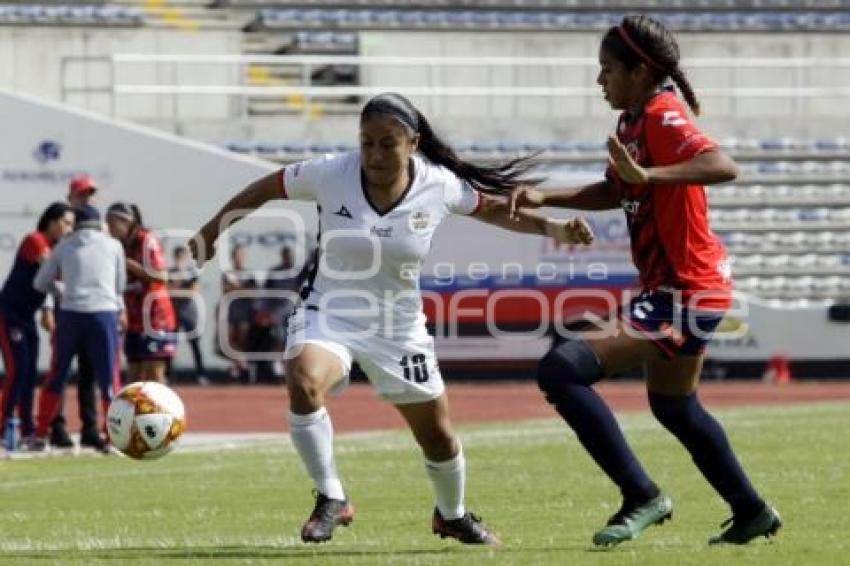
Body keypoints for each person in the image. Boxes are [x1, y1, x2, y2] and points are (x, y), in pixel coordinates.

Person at [191, 92, 593, 545]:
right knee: (303, 379)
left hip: (398, 327)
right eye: (367, 143)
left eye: (388, 144)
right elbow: (263, 189)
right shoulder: (329, 173)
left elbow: (499, 211)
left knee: (438, 437)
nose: (375, 155)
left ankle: (452, 515)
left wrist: (555, 227)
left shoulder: (438, 185)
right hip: (330, 312)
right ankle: (332, 497)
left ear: (413, 144)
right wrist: (209, 236)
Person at [509, 14, 781, 547]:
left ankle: (643, 496)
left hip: (685, 291)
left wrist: (650, 176)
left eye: (607, 69)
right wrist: (547, 196)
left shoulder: (662, 113)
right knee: (674, 405)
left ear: (638, 71)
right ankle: (751, 511)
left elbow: (723, 165)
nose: (600, 80)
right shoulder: (631, 122)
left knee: (562, 370)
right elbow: (617, 189)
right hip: (683, 288)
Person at [32, 205, 125, 451]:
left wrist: (63, 291)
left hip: (71, 314)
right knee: (108, 378)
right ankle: (112, 437)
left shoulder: (64, 246)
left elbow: (40, 282)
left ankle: (41, 433)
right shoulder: (113, 246)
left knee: (56, 375)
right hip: (103, 313)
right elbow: (120, 285)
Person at [0, 202, 74, 450]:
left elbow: (47, 284)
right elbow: (51, 270)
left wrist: (46, 309)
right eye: (66, 223)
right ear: (51, 222)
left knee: (29, 375)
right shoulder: (35, 240)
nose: (69, 228)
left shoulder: (57, 248)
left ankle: (27, 432)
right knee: (17, 371)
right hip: (8, 314)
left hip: (26, 317)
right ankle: (2, 428)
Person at [43, 175, 103, 449]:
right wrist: (48, 307)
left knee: (89, 373)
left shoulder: (97, 229)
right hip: (65, 309)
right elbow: (47, 273)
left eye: (89, 194)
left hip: (92, 308)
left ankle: (90, 428)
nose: (86, 199)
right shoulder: (62, 233)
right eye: (82, 194)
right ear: (71, 197)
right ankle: (57, 427)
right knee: (61, 371)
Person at [106, 202, 177, 383]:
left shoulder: (147, 241)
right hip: (133, 318)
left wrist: (130, 264)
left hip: (155, 317)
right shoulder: (117, 244)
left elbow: (162, 276)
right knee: (133, 374)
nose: (109, 227)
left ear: (125, 221)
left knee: (154, 372)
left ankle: (163, 411)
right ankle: (134, 412)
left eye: (111, 222)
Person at [167, 246, 208, 385]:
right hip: (173, 313)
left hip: (189, 314)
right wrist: (179, 286)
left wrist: (177, 288)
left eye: (182, 257)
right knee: (171, 345)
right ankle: (169, 376)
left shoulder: (192, 272)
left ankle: (201, 374)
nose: (180, 260)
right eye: (178, 257)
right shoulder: (170, 272)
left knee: (195, 344)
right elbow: (167, 290)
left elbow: (193, 291)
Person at [219, 244, 258, 381]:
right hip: (231, 312)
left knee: (243, 340)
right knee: (230, 341)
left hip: (244, 313)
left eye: (241, 255)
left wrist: (236, 288)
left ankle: (243, 366)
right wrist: (241, 290)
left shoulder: (249, 274)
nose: (239, 258)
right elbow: (225, 290)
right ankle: (238, 365)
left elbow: (253, 294)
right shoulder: (228, 274)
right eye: (237, 256)